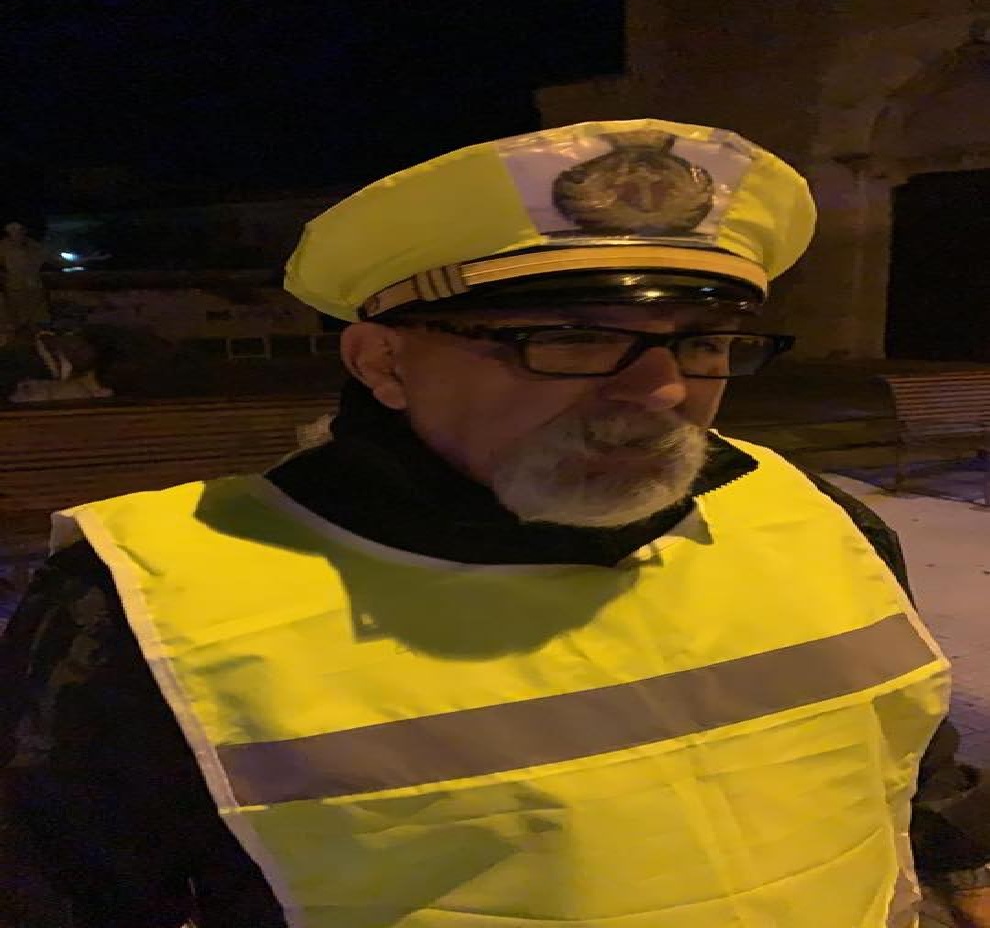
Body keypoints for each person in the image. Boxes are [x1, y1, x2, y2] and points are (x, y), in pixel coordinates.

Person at [1, 118, 989, 928]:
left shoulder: (814, 518)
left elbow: (907, 770)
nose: (662, 390)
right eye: (571, 338)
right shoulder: (146, 611)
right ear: (383, 363)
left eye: (704, 340)